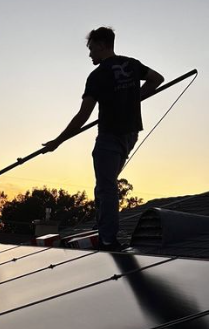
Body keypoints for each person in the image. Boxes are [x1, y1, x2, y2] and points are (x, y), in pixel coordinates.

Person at [43, 27, 164, 251]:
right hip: (130, 134)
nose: (89, 54)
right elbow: (157, 79)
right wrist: (134, 99)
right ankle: (103, 230)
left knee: (106, 187)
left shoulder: (97, 76)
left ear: (100, 45)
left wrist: (57, 142)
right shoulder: (131, 64)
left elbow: (83, 115)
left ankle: (108, 239)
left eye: (90, 49)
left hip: (110, 136)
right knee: (104, 187)